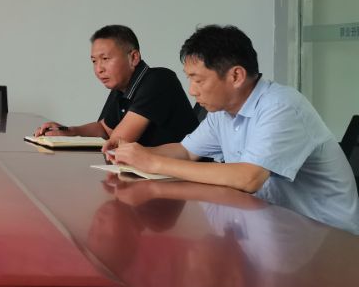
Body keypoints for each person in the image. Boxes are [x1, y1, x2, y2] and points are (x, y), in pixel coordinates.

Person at [110, 25, 359, 234]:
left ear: (236, 76)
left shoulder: (281, 106)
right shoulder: (222, 112)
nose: (192, 90)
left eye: (198, 80)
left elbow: (248, 178)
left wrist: (154, 163)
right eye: (189, 79)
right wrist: (134, 153)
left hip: (329, 241)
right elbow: (185, 152)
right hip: (273, 227)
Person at [34, 24, 197, 150]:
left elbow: (117, 141)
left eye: (105, 59)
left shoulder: (158, 80)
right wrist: (68, 131)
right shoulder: (122, 86)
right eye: (94, 61)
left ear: (134, 57)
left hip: (184, 174)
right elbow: (104, 129)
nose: (99, 69)